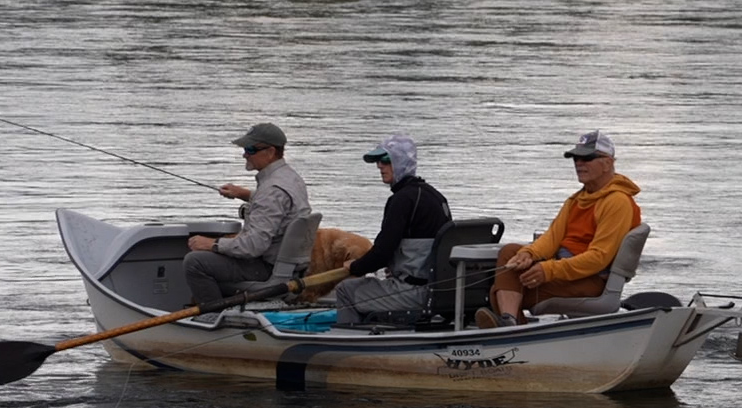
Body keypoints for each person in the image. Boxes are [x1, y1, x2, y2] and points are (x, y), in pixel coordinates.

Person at [480, 129, 642, 327]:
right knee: (510, 252)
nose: (579, 164)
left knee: (501, 290)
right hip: (568, 271)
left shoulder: (617, 202)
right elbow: (552, 238)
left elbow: (599, 258)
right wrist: (529, 254)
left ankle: (510, 330)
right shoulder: (576, 200)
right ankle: (510, 325)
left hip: (592, 280)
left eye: (587, 158)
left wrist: (548, 270)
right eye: (575, 159)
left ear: (608, 162)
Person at [183, 122, 311, 305]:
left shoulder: (271, 190)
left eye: (250, 149)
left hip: (266, 268)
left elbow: (253, 246)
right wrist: (245, 194)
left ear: (270, 152)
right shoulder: (291, 178)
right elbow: (279, 206)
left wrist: (213, 243)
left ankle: (214, 317)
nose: (245, 154)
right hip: (288, 267)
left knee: (195, 262)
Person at [331, 135, 454, 325]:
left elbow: (382, 253)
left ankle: (349, 341)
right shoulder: (436, 196)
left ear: (402, 162)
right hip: (439, 289)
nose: (380, 166)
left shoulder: (401, 200)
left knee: (346, 290)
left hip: (415, 293)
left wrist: (355, 267)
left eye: (386, 160)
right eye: (378, 162)